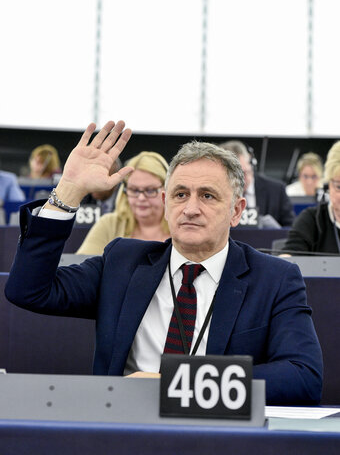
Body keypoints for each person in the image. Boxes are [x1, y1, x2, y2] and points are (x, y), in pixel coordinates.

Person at [5, 120, 322, 405]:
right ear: (166, 202)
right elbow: (28, 290)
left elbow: (303, 376)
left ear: (237, 211)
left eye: (208, 196)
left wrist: (177, 383)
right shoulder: (123, 263)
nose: (191, 208)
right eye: (180, 194)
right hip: (121, 433)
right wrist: (69, 192)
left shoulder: (274, 279)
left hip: (221, 439)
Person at [77, 151, 169, 254]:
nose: (141, 198)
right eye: (134, 190)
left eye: (150, 190)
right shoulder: (109, 225)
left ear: (167, 190)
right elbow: (81, 264)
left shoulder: (180, 226)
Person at [219, 140, 294, 227]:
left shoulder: (277, 190)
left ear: (251, 164)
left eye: (246, 172)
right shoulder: (216, 192)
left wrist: (275, 230)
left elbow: (291, 229)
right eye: (236, 176)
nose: (243, 179)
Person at [283, 141, 340, 254]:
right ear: (328, 184)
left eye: (313, 176)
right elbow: (290, 254)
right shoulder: (311, 219)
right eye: (339, 186)